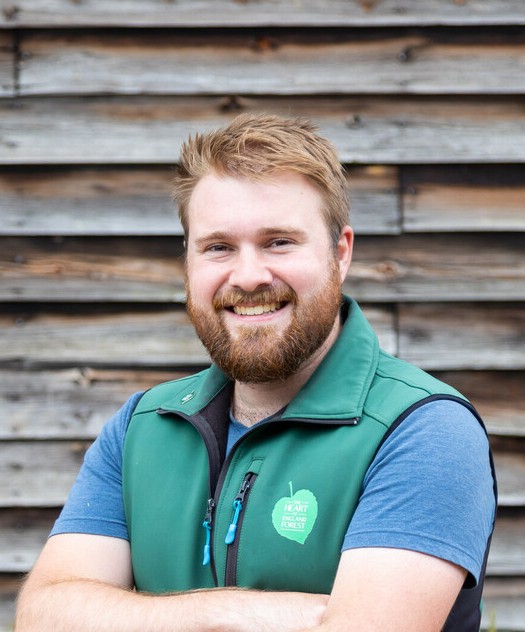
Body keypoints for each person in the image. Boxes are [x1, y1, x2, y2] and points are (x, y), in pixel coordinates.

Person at [15, 113, 496, 631]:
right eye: (218, 247)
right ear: (189, 260)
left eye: (279, 242)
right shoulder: (142, 428)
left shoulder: (423, 430)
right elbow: (43, 617)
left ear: (340, 254)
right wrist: (243, 614)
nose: (248, 277)